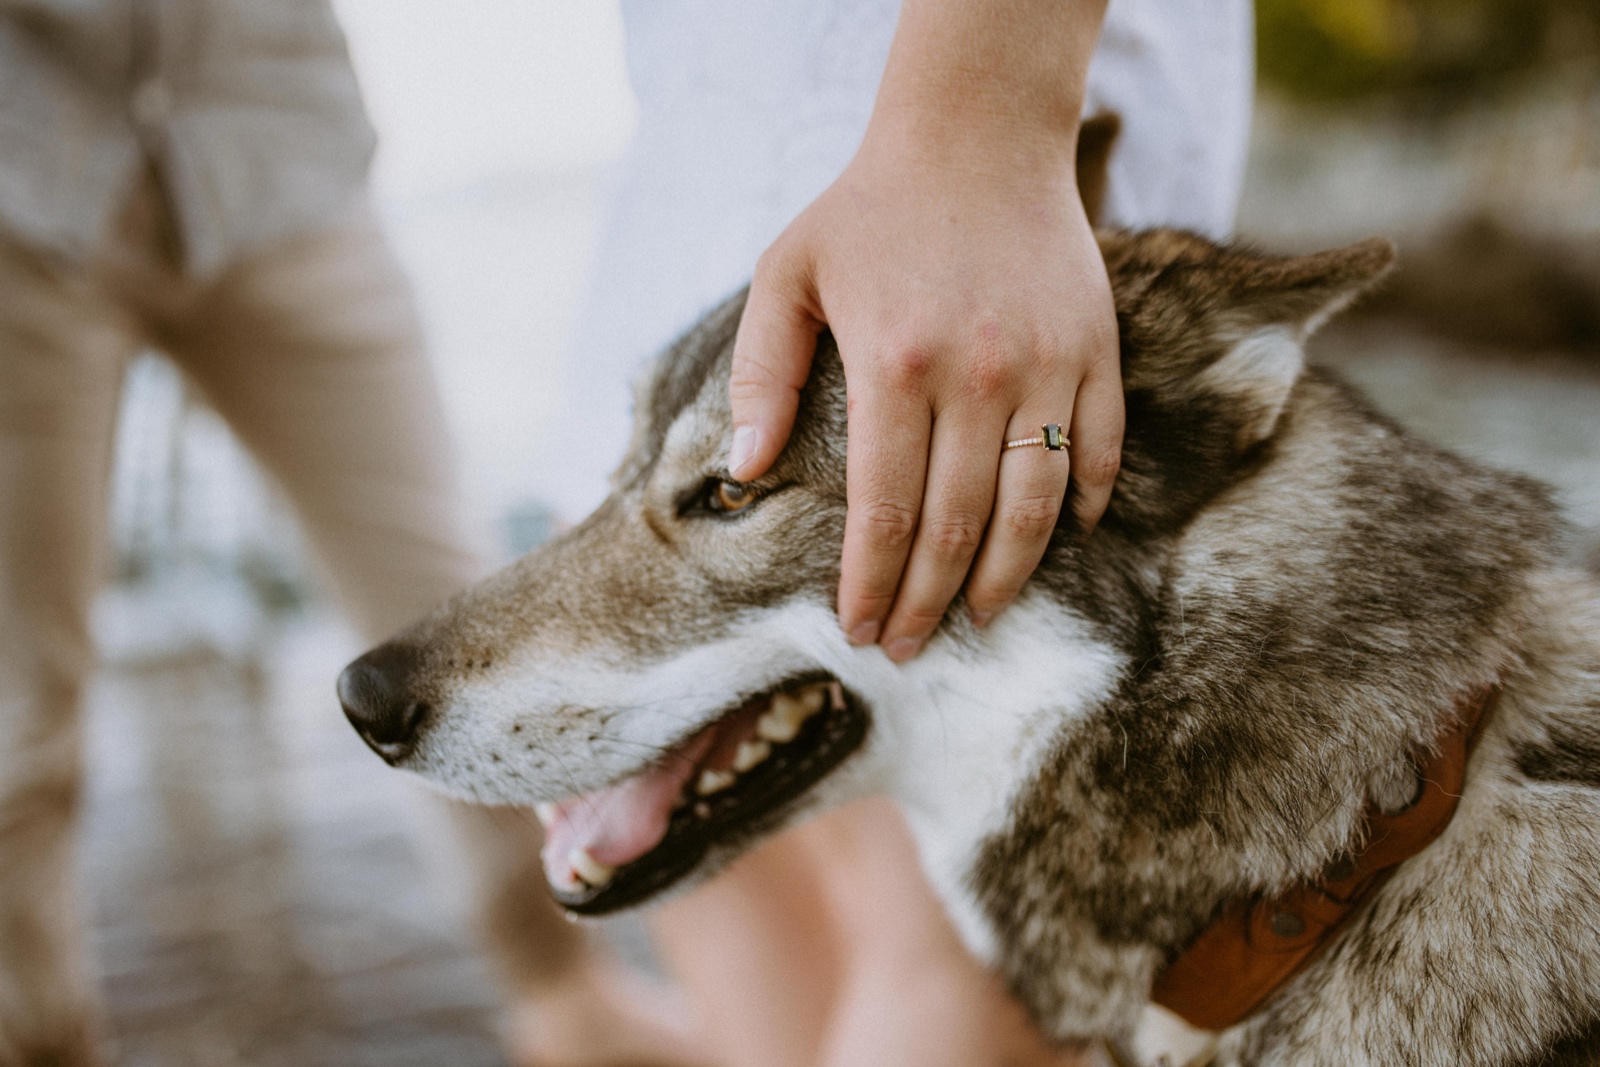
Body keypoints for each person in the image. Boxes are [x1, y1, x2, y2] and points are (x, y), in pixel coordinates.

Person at [539, 0, 1254, 1063]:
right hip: (702, 163)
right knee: (689, 845)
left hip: (943, 171)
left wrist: (984, 120)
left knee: (939, 937)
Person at [0, 3, 697, 1065]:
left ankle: (566, 991)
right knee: (18, 718)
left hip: (281, 162)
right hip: (20, 201)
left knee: (459, 612)